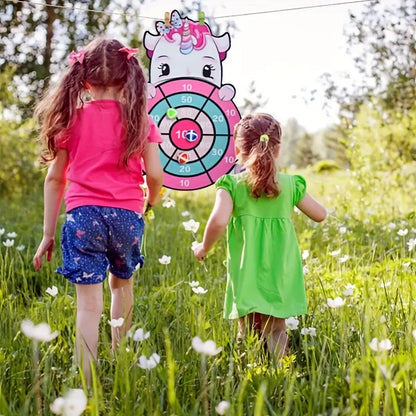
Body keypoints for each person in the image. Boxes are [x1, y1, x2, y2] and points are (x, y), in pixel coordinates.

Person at [33, 38, 164, 384]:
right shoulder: (141, 121)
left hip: (83, 217)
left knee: (88, 305)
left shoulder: (70, 121)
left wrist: (48, 234)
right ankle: (121, 360)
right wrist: (152, 199)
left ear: (84, 81)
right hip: (127, 218)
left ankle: (87, 381)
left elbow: (54, 179)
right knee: (122, 288)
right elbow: (155, 174)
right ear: (127, 80)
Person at [194, 113, 326, 360]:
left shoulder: (231, 185)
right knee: (277, 328)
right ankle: (283, 376)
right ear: (277, 150)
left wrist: (204, 247)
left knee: (246, 328)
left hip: (247, 270)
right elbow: (319, 215)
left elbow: (219, 220)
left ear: (237, 149)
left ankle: (248, 373)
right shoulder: (290, 184)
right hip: (281, 270)